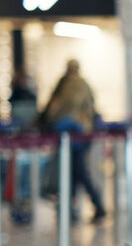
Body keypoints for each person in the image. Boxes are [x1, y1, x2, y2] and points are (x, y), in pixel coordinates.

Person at [39, 59, 106, 223]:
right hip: (80, 138)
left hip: (68, 137)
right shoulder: (83, 85)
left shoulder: (63, 85)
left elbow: (52, 109)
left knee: (76, 172)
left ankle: (86, 207)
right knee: (76, 173)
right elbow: (90, 109)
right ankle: (77, 208)